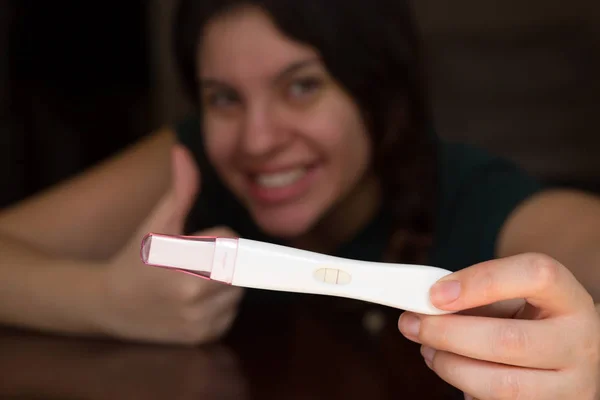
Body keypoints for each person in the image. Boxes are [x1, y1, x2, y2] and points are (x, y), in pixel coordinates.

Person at [0, 0, 599, 398]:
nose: (257, 140)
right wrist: (105, 300)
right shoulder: (192, 161)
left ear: (379, 93)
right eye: (224, 98)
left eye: (302, 86)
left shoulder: (477, 194)